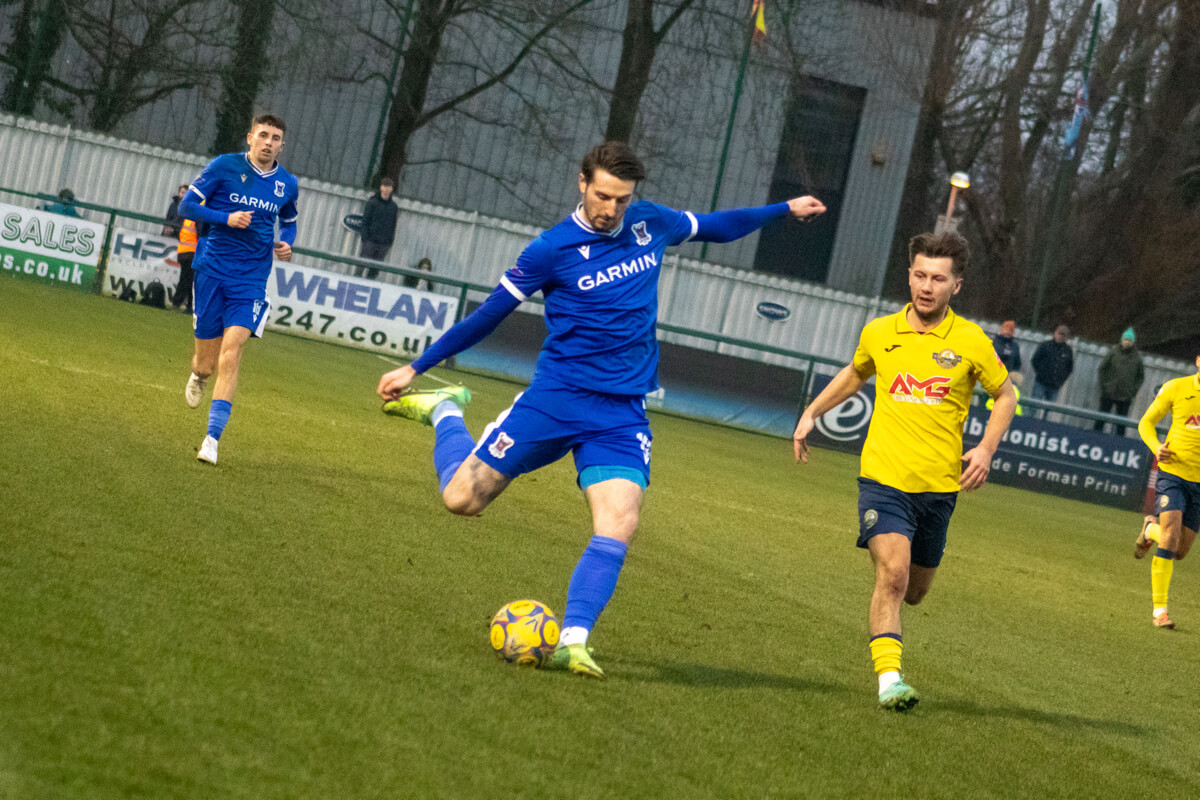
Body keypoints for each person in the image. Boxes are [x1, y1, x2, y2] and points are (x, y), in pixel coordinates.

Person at [376, 142, 826, 679]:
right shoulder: (550, 249)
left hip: (620, 413)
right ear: (582, 183)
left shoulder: (649, 223)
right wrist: (417, 368)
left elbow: (716, 226)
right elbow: (489, 315)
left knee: (620, 519)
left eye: (622, 198)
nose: (611, 208)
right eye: (603, 195)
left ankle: (573, 640)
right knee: (461, 500)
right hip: (556, 399)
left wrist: (783, 210)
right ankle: (445, 412)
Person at [793, 231, 1017, 711]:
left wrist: (985, 449)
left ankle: (893, 602)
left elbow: (1006, 395)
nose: (926, 285)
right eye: (919, 274)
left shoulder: (971, 341)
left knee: (914, 592)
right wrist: (812, 412)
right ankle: (889, 681)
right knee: (892, 576)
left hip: (939, 489)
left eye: (938, 278)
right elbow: (856, 371)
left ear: (956, 285)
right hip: (883, 479)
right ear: (909, 275)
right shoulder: (880, 332)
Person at [177, 114, 299, 465]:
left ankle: (212, 439)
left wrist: (287, 244)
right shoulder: (223, 166)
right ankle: (198, 375)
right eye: (263, 135)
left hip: (251, 278)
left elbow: (289, 222)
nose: (269, 142)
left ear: (281, 144)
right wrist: (226, 218)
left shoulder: (286, 184)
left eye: (276, 138)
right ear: (250, 137)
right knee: (207, 363)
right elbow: (187, 206)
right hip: (212, 270)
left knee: (232, 353)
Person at [1132, 354, 1200, 629]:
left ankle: (1149, 531)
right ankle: (1160, 612)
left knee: (1180, 551)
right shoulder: (1176, 387)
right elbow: (1146, 423)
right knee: (1170, 537)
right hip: (1173, 474)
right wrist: (1156, 447)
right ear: (1198, 360)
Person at [1093, 328, 1145, 436]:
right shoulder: (1113, 353)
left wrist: (1133, 392)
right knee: (1100, 419)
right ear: (1121, 340)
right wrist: (1104, 385)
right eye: (1125, 339)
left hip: (1125, 395)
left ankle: (1119, 445)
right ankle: (1094, 437)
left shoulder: (1137, 358)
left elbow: (1140, 377)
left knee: (1121, 424)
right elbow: (1102, 368)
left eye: (1129, 340)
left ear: (1133, 342)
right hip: (1109, 392)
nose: (1127, 342)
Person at [355, 177, 399, 279]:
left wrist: (389, 241)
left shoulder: (393, 207)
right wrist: (365, 238)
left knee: (375, 269)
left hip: (384, 244)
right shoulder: (372, 202)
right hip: (370, 241)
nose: (387, 188)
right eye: (385, 186)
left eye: (389, 186)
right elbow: (365, 221)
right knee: (362, 265)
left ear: (392, 189)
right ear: (381, 187)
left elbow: (393, 225)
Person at [1030, 324, 1073, 406]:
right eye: (1059, 333)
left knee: (1049, 409)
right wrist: (1040, 374)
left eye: (1063, 335)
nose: (1061, 336)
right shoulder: (1045, 345)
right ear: (1055, 333)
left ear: (1067, 337)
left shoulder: (1068, 351)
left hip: (1055, 386)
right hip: (1040, 383)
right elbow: (1035, 360)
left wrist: (1061, 380)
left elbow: (1069, 368)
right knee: (1033, 406)